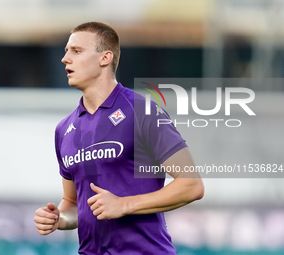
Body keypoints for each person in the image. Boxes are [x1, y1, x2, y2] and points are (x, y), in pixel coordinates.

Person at [34, 21, 204, 255]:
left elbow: (191, 185)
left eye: (76, 51)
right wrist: (58, 218)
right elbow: (72, 203)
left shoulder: (142, 111)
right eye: (66, 51)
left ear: (105, 58)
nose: (65, 59)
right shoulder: (64, 129)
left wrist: (125, 205)